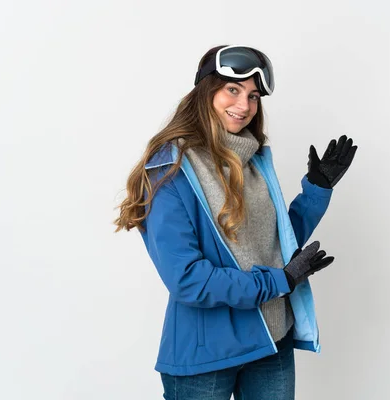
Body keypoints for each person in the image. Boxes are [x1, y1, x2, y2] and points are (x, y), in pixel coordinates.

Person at [114, 44, 358, 400]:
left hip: (272, 341)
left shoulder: (254, 161)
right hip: (207, 355)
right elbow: (188, 280)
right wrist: (280, 280)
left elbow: (274, 244)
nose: (244, 106)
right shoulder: (170, 170)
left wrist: (317, 191)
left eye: (254, 96)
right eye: (233, 89)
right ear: (205, 91)